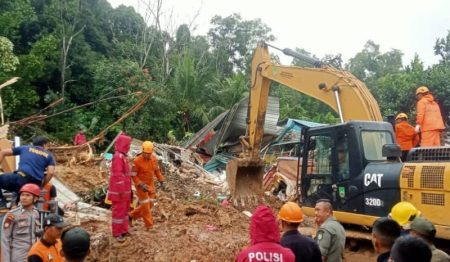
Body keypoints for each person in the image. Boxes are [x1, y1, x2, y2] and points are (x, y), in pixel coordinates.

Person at [0, 136, 56, 209]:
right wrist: (42, 185)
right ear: (44, 145)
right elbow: (51, 172)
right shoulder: (49, 156)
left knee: (16, 184)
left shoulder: (25, 148)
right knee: (18, 189)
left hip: (21, 178)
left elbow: (3, 152)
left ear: (33, 143)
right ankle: (15, 206)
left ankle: (1, 201)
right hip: (35, 183)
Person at [129, 141, 165, 231]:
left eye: (149, 153)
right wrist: (140, 184)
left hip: (150, 185)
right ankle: (149, 226)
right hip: (141, 186)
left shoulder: (153, 159)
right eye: (146, 154)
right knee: (145, 206)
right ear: (142, 151)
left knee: (150, 204)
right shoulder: (136, 161)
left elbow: (157, 170)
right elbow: (133, 175)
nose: (148, 155)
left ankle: (130, 216)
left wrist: (161, 180)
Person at [1, 183, 41, 262]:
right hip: (18, 256)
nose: (23, 198)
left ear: (35, 198)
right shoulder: (12, 214)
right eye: (22, 195)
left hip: (33, 254)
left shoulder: (36, 213)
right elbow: (5, 239)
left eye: (27, 195)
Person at [106, 132, 132, 242]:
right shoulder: (118, 157)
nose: (129, 147)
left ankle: (124, 230)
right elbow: (118, 175)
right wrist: (122, 190)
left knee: (125, 211)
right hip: (119, 192)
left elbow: (126, 174)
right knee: (118, 213)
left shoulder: (123, 157)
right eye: (128, 145)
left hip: (125, 191)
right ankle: (117, 233)